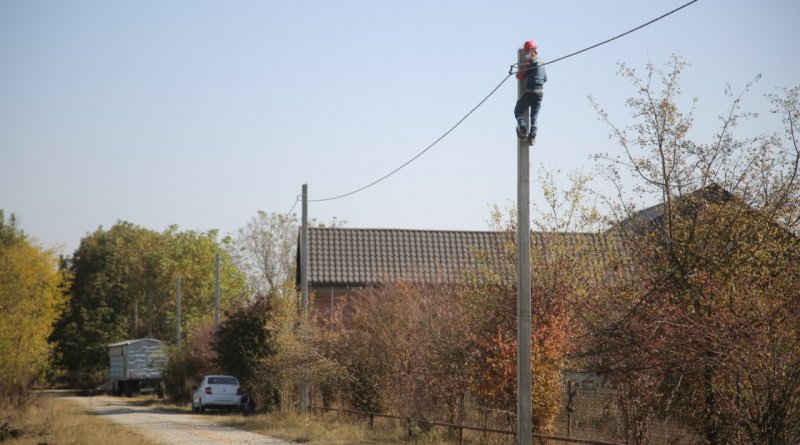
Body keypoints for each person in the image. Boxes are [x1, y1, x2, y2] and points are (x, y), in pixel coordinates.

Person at [514, 40, 547, 141]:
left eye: (527, 51)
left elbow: (520, 76)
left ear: (533, 50)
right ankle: (532, 136)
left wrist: (523, 67)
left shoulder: (531, 61)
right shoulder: (541, 62)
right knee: (534, 116)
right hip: (540, 93)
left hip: (531, 91)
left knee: (518, 110)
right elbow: (545, 79)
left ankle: (523, 129)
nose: (526, 53)